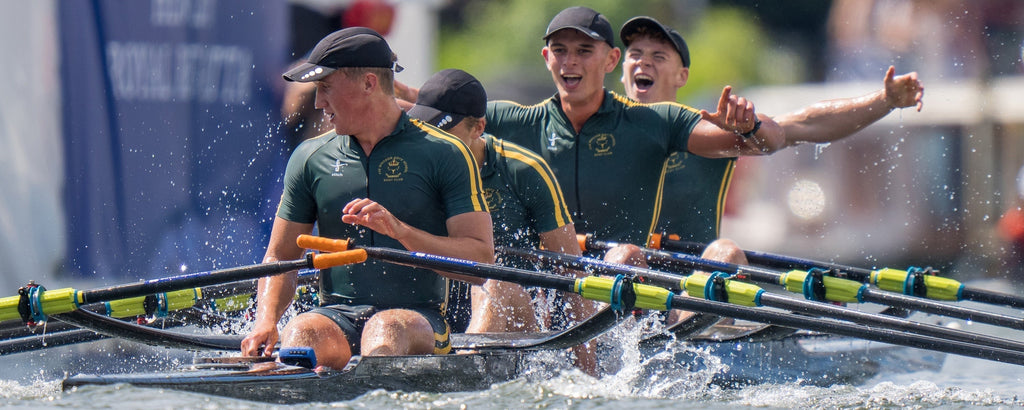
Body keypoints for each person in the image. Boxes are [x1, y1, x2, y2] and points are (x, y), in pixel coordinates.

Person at [240, 27, 495, 370]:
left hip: (419, 318)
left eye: (326, 87)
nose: (318, 103)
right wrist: (266, 320)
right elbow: (280, 256)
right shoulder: (309, 157)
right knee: (300, 333)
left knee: (384, 329)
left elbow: (480, 263)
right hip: (336, 315)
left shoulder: (446, 153)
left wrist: (400, 232)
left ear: (369, 83)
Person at [616, 15, 924, 263]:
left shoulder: (709, 131)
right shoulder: (592, 129)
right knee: (624, 255)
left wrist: (885, 100)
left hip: (690, 292)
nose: (644, 63)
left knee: (728, 253)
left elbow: (806, 124)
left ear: (681, 77)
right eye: (636, 55)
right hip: (619, 280)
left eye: (658, 56)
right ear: (621, 71)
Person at [484, 6, 785, 250]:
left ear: (611, 59)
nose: (570, 61)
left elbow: (765, 142)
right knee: (495, 288)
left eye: (585, 51)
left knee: (720, 253)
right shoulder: (516, 120)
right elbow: (441, 119)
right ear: (547, 58)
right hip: (553, 287)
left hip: (627, 281)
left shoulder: (656, 121)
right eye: (560, 51)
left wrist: (750, 126)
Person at [407, 68, 597, 374]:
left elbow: (571, 274)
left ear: (478, 128)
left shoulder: (523, 171)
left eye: (443, 133)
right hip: (434, 316)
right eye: (426, 131)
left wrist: (589, 375)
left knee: (496, 281)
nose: (432, 144)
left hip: (519, 317)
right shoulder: (412, 170)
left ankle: (462, 371)